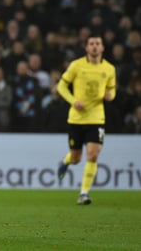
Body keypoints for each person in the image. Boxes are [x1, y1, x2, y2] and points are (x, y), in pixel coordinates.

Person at [57, 34, 116, 205]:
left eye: (98, 43)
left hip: (97, 118)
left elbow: (112, 88)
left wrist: (110, 95)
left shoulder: (109, 69)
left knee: (93, 155)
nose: (95, 46)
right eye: (92, 44)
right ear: (86, 48)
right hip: (76, 119)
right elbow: (61, 86)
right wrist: (74, 101)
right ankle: (66, 160)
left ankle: (84, 193)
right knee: (76, 158)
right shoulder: (77, 65)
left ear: (103, 47)